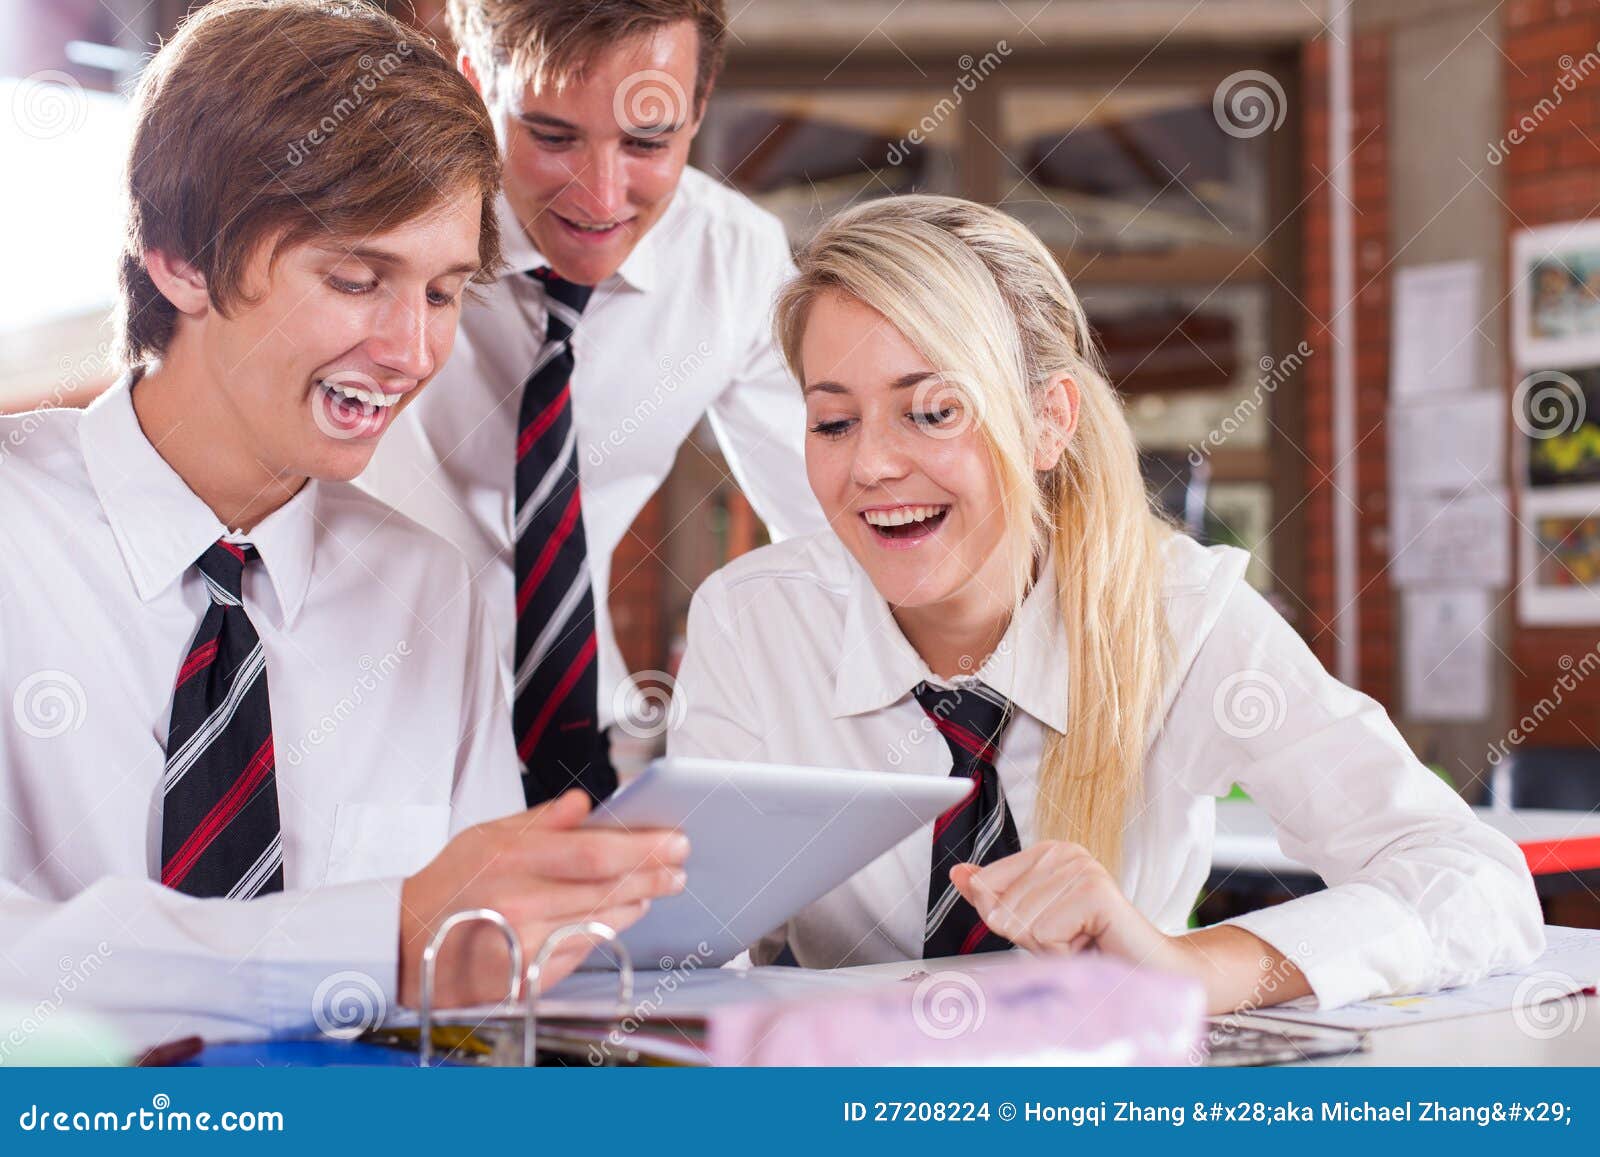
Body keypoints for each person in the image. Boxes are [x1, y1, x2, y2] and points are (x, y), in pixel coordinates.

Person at [0, 0, 684, 1056]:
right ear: (180, 257)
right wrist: (378, 935)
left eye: (445, 292)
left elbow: (474, 988)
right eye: (356, 280)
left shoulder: (430, 591)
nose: (410, 349)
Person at [666, 195, 1546, 1014]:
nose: (872, 466)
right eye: (834, 422)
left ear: (1051, 420)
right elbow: (688, 951)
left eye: (933, 411)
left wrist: (1192, 964)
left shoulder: (1182, 615)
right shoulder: (753, 624)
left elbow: (1474, 881)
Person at [359, 0, 826, 807]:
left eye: (648, 141)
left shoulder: (732, 261)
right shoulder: (373, 225)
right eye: (552, 135)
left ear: (699, 105)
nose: (600, 195)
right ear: (476, 85)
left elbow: (830, 532)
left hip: (580, 734)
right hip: (358, 719)